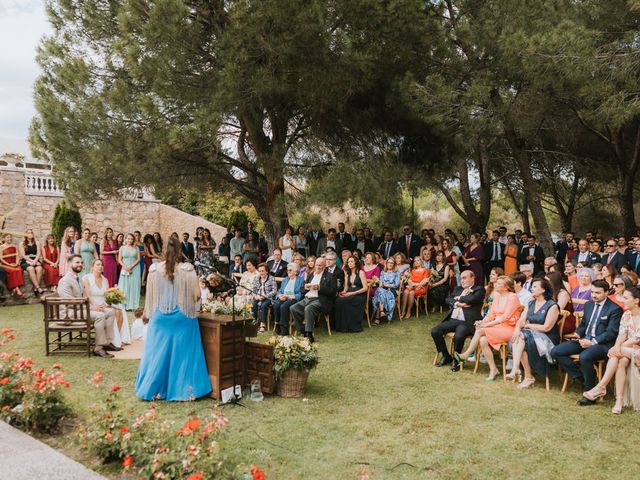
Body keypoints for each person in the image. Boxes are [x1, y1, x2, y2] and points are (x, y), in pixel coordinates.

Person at [135, 236, 211, 401]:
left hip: (160, 318)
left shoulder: (154, 270)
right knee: (184, 356)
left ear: (164, 251)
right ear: (179, 251)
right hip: (182, 318)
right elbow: (197, 296)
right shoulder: (188, 270)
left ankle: (151, 389)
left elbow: (150, 297)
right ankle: (185, 390)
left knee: (156, 355)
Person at [550, 279, 624, 401]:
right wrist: (578, 333)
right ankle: (582, 378)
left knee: (585, 356)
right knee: (556, 351)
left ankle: (589, 391)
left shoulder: (614, 309)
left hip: (602, 344)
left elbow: (611, 333)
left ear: (606, 293)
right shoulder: (589, 304)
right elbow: (584, 323)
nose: (594, 295)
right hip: (584, 339)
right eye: (592, 292)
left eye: (598, 293)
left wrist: (593, 342)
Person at [582, 287, 640, 414]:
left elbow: (636, 339)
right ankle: (619, 400)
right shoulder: (626, 314)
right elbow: (622, 334)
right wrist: (617, 346)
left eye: (626, 298)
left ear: (636, 300)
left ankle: (601, 387)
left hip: (636, 349)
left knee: (616, 354)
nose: (622, 300)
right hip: (627, 349)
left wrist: (618, 348)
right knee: (621, 361)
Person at [454, 276, 521, 381]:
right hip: (498, 326)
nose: (496, 285)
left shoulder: (512, 297)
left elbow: (505, 317)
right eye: (496, 283)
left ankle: (466, 355)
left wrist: (486, 326)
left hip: (509, 328)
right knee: (482, 340)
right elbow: (491, 314)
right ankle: (493, 369)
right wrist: (482, 321)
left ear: (506, 287)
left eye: (499, 283)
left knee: (480, 330)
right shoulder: (498, 296)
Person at [58, 255, 118, 358]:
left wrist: (95, 306)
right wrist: (90, 307)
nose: (80, 264)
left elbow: (83, 296)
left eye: (81, 262)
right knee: (99, 315)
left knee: (110, 311)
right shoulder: (65, 281)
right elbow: (69, 302)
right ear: (69, 264)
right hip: (70, 313)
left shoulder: (78, 279)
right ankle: (98, 348)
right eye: (77, 262)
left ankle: (107, 342)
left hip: (80, 309)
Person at [508, 278, 560, 388]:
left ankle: (520, 372)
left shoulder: (552, 305)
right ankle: (522, 373)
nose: (532, 288)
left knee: (522, 338)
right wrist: (517, 330)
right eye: (532, 286)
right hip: (530, 335)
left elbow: (546, 327)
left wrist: (528, 326)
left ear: (543, 290)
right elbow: (521, 320)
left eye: (535, 286)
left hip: (547, 338)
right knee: (519, 338)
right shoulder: (531, 303)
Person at [431, 270, 485, 371]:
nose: (462, 280)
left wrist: (459, 298)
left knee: (459, 336)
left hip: (467, 322)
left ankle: (456, 360)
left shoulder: (479, 289)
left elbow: (472, 300)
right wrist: (457, 304)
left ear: (472, 278)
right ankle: (446, 356)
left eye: (464, 278)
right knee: (435, 331)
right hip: (453, 320)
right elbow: (447, 299)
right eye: (461, 278)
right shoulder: (458, 288)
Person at [289, 256, 337, 342]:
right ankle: (302, 330)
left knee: (308, 308)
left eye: (320, 265)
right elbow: (302, 289)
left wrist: (319, 288)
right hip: (307, 298)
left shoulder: (330, 276)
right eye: (317, 265)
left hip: (320, 300)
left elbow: (333, 291)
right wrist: (305, 287)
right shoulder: (311, 275)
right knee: (293, 308)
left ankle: (309, 335)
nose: (318, 267)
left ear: (325, 266)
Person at [83, 258, 129, 348]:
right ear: (92, 267)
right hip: (92, 304)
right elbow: (87, 295)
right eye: (98, 264)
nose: (100, 267)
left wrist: (107, 303)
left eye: (102, 265)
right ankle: (111, 341)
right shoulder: (86, 278)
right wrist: (94, 305)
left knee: (120, 311)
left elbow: (106, 295)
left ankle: (116, 339)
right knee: (115, 312)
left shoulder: (105, 280)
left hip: (104, 303)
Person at [333, 256, 368, 333]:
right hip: (349, 292)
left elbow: (365, 288)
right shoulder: (347, 273)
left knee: (346, 301)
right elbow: (346, 287)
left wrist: (352, 293)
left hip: (359, 294)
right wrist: (343, 292)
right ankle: (341, 326)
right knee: (339, 300)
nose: (350, 263)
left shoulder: (361, 272)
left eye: (352, 261)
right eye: (348, 262)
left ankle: (352, 326)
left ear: (356, 262)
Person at [272, 263, 305, 335]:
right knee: (276, 305)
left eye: (290, 270)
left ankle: (284, 328)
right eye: (287, 270)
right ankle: (277, 325)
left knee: (284, 307)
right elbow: (280, 290)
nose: (288, 272)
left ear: (296, 272)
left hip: (292, 298)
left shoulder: (300, 280)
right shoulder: (285, 279)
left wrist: (290, 297)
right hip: (283, 297)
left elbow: (301, 293)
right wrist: (280, 296)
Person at [371, 256, 401, 324]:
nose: (390, 264)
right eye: (389, 262)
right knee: (380, 290)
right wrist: (379, 282)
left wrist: (387, 285)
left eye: (392, 263)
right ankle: (381, 312)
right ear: (386, 263)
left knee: (379, 291)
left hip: (392, 290)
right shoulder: (383, 272)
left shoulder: (396, 272)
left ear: (394, 264)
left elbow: (396, 284)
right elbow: (381, 283)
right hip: (383, 289)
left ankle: (378, 316)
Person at [117, 233, 141, 310]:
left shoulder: (136, 248)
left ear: (133, 240)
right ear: (126, 239)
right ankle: (124, 304)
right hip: (125, 268)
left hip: (135, 268)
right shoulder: (122, 248)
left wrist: (131, 266)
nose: (130, 240)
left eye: (131, 239)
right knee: (124, 286)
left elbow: (138, 259)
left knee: (133, 285)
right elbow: (119, 259)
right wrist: (125, 267)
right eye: (128, 238)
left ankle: (133, 305)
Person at [252, 263, 277, 332]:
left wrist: (265, 296)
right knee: (254, 304)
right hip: (258, 296)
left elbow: (274, 291)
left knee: (264, 305)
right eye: (260, 271)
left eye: (263, 271)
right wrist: (256, 297)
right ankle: (255, 321)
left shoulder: (271, 278)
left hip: (268, 298)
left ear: (266, 271)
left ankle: (263, 324)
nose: (261, 273)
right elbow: (253, 290)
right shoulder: (256, 278)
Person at [19, 228, 44, 294]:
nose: (30, 234)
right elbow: (23, 255)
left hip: (35, 259)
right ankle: (38, 288)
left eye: (31, 233)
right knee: (31, 268)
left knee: (39, 268)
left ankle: (35, 288)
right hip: (26, 261)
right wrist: (31, 261)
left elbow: (38, 253)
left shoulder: (37, 243)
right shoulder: (22, 243)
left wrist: (35, 261)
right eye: (28, 233)